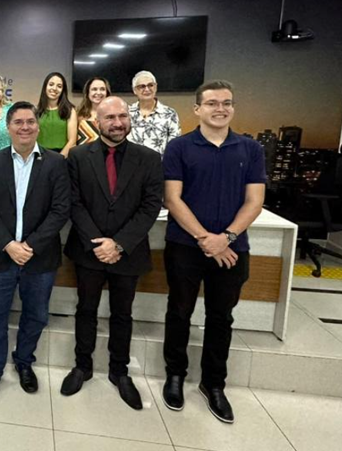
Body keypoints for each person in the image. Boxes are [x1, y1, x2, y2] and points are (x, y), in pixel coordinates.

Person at [162, 80, 265, 424]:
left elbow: (255, 201)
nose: (220, 108)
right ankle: (175, 375)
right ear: (198, 109)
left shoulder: (250, 149)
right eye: (212, 103)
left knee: (221, 317)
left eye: (226, 103)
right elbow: (172, 198)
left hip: (233, 249)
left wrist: (227, 237)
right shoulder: (179, 147)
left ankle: (213, 384)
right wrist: (206, 238)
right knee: (179, 311)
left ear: (233, 107)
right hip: (185, 246)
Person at [59, 97, 163, 410]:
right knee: (86, 309)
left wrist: (117, 244)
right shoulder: (77, 156)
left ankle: (119, 372)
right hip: (89, 251)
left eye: (122, 116)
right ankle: (82, 366)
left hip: (127, 252)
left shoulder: (149, 158)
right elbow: (74, 203)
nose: (117, 123)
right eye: (110, 118)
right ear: (96, 122)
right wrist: (98, 243)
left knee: (122, 314)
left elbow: (150, 206)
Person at [0, 102, 70, 403]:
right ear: (8, 127)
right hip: (1, 255)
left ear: (38, 126)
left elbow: (60, 210)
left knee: (36, 315)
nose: (25, 127)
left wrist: (29, 246)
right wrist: (8, 244)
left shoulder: (56, 163)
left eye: (30, 121)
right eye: (18, 122)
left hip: (39, 257)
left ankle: (24, 361)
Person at [127, 71, 181, 155]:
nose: (147, 89)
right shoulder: (126, 113)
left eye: (150, 85)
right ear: (134, 90)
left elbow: (175, 145)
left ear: (155, 87)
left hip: (160, 165)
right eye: (142, 86)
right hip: (131, 164)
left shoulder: (170, 114)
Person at [35, 72, 78, 156]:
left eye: (59, 86)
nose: (54, 88)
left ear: (63, 90)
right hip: (40, 156)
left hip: (62, 156)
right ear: (45, 87)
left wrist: (58, 159)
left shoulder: (70, 110)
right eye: (51, 84)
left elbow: (72, 141)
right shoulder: (36, 111)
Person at [76, 77, 111, 146]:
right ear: (88, 92)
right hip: (83, 156)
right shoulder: (78, 114)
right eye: (94, 89)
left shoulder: (113, 115)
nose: (98, 93)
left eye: (102, 89)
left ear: (107, 92)